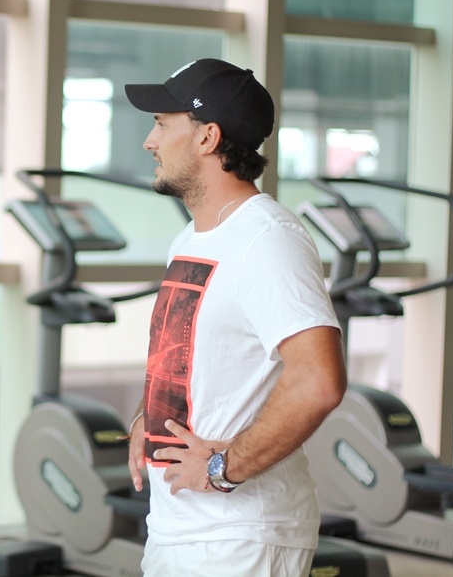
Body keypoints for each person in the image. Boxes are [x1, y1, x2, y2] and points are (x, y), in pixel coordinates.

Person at [122, 58, 347, 576]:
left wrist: (222, 469)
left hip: (241, 535)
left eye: (162, 124)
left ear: (208, 137)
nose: (150, 142)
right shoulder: (194, 237)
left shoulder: (268, 240)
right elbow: (193, 357)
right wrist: (144, 418)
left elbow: (318, 381)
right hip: (179, 528)